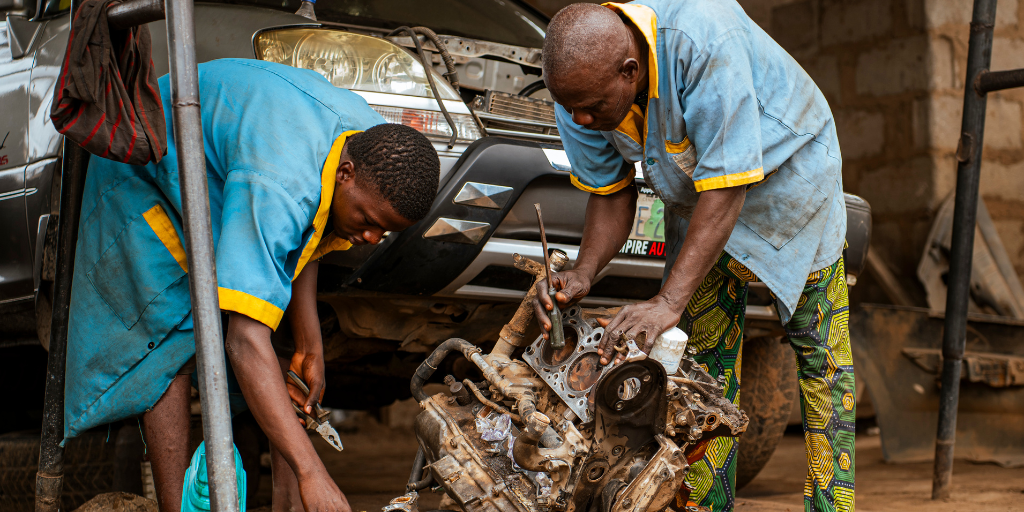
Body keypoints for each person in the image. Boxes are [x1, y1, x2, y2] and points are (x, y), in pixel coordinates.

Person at [64, 58, 440, 512]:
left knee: (279, 345)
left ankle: (288, 502)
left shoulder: (372, 148)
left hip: (227, 166)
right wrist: (313, 473)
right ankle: (175, 507)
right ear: (346, 173)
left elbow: (307, 232)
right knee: (172, 339)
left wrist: (310, 340)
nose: (370, 238)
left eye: (385, 232)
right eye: (368, 221)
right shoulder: (280, 183)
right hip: (146, 163)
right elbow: (243, 340)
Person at [534, 3, 853, 512]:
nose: (580, 120)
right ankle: (708, 506)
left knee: (822, 360)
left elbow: (729, 187)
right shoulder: (577, 90)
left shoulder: (705, 38)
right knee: (702, 371)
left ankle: (833, 507)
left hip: (792, 187)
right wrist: (583, 273)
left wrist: (668, 300)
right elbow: (611, 192)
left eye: (591, 107)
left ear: (630, 71)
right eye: (571, 108)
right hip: (701, 202)